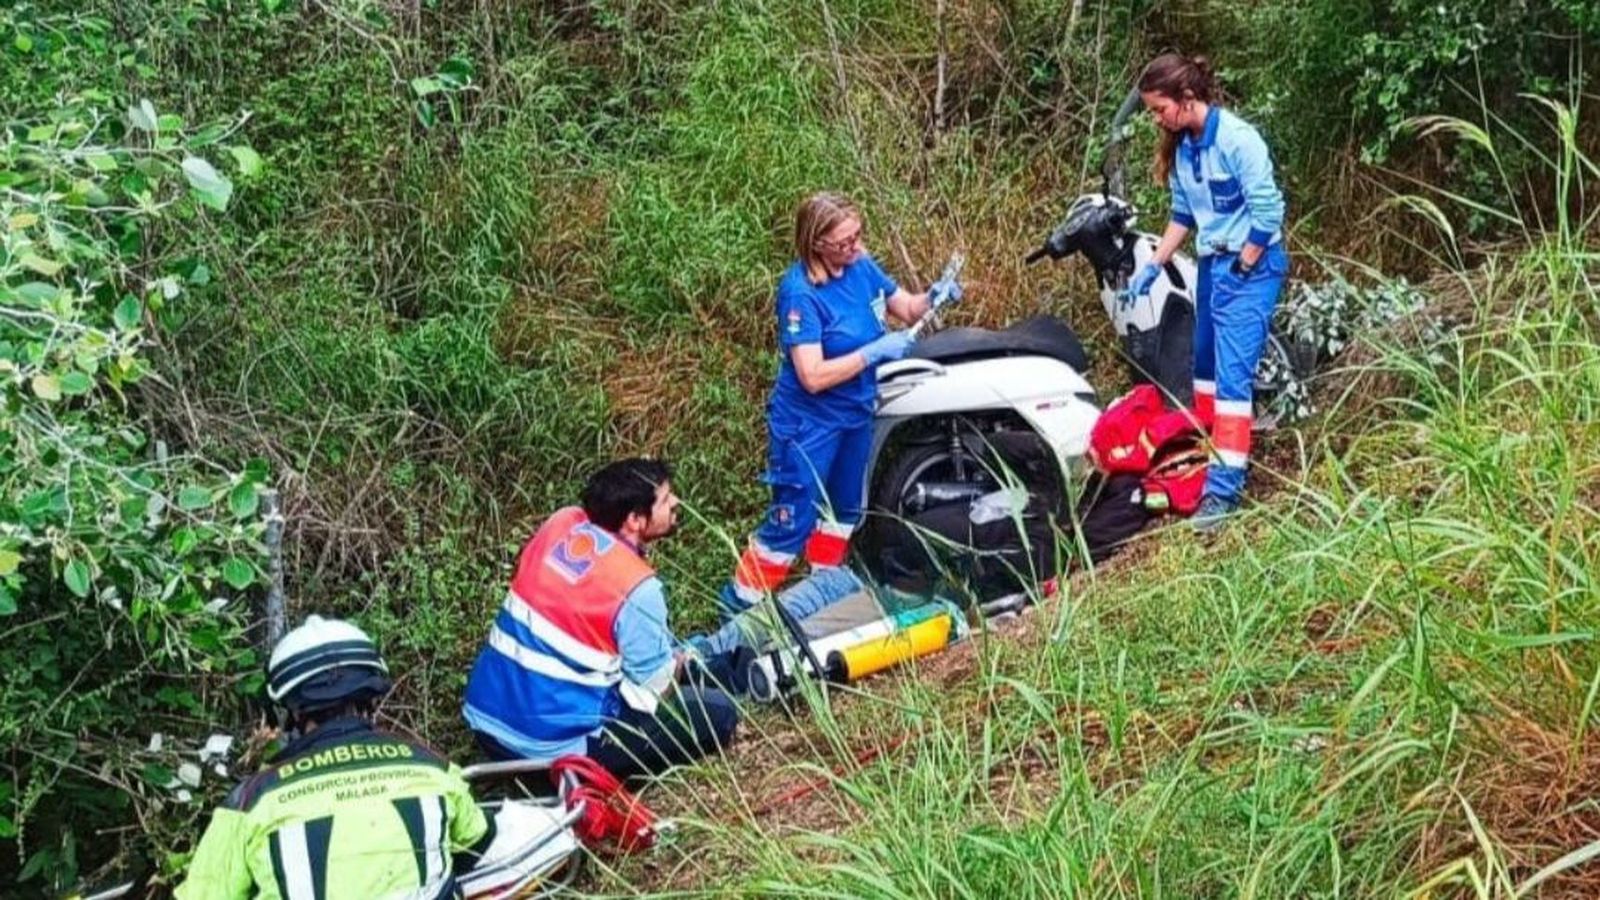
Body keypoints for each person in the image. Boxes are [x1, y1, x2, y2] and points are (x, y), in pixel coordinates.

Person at [719, 192, 960, 617]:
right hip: (808, 424)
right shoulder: (800, 293)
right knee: (790, 525)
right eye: (845, 241)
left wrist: (933, 296)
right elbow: (811, 375)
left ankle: (818, 599)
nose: (856, 245)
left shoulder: (859, 265)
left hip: (855, 414)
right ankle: (736, 613)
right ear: (818, 243)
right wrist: (871, 353)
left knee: (842, 513)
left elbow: (905, 307)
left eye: (858, 235)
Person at [176, 616, 493, 899]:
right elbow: (476, 839)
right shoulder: (432, 768)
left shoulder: (251, 802)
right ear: (370, 696)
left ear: (290, 710)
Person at [462, 458, 741, 780]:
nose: (676, 502)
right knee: (717, 714)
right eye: (665, 500)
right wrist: (677, 663)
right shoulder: (636, 586)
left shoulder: (560, 524)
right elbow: (656, 689)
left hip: (485, 725)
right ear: (634, 520)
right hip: (547, 754)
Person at [1125, 53, 1289, 532]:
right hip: (1215, 265)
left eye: (1159, 109)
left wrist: (1244, 265)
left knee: (1233, 380)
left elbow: (1269, 212)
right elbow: (1184, 215)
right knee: (1205, 371)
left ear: (1186, 98)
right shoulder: (1184, 150)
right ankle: (1213, 454)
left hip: (1252, 265)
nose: (1157, 119)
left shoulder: (1238, 140)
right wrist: (1153, 265)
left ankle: (1223, 493)